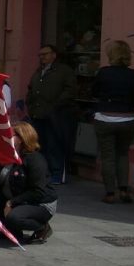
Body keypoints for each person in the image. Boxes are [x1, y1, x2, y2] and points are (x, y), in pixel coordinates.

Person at [0, 121, 56, 244]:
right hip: (15, 197)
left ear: (22, 139)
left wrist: (11, 202)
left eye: (11, 135)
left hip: (39, 203)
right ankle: (12, 230)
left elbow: (37, 192)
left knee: (15, 217)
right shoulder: (5, 155)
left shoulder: (35, 159)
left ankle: (42, 228)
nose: (6, 137)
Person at [91, 40, 134, 204]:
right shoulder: (133, 74)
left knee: (108, 156)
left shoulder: (104, 72)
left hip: (105, 117)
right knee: (123, 154)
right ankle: (124, 190)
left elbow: (94, 92)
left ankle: (110, 192)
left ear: (111, 54)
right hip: (127, 118)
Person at [26, 44, 76, 184]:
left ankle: (57, 174)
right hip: (38, 114)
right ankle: (44, 173)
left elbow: (70, 91)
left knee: (55, 145)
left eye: (45, 54)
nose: (42, 57)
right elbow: (31, 89)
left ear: (54, 55)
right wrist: (30, 104)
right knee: (40, 145)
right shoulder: (39, 71)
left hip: (56, 115)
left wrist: (56, 105)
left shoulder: (63, 71)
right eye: (40, 55)